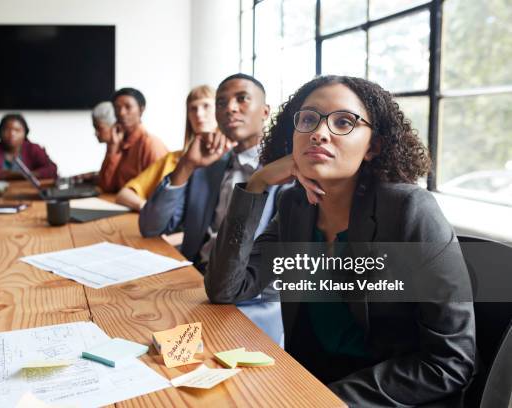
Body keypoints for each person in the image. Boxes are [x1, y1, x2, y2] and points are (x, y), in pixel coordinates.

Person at [204, 75, 476, 406]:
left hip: (385, 399)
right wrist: (258, 182)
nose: (319, 133)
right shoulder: (295, 206)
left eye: (344, 122)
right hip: (304, 384)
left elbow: (450, 363)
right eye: (308, 119)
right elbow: (226, 289)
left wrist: (327, 399)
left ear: (373, 147)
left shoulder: (410, 210)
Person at [139, 74, 284, 344]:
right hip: (192, 281)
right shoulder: (210, 165)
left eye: (242, 99)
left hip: (247, 303)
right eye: (221, 102)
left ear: (265, 111)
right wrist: (186, 166)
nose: (229, 107)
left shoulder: (285, 176)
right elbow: (151, 226)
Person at [116, 85, 219, 211]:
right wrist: (151, 211)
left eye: (206, 106)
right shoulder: (172, 159)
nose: (199, 114)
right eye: (193, 108)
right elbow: (124, 193)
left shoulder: (232, 161)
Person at [97, 88, 168, 193]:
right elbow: (105, 187)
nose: (121, 113)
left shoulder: (151, 144)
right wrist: (112, 149)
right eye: (117, 108)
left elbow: (160, 191)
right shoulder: (118, 141)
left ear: (141, 110)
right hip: (117, 203)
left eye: (128, 107)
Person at [0, 113, 58, 181]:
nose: (12, 134)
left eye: (17, 130)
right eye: (7, 130)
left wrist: (31, 175)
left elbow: (52, 171)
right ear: (0, 132)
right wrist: (18, 175)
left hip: (28, 193)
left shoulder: (33, 149)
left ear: (25, 133)